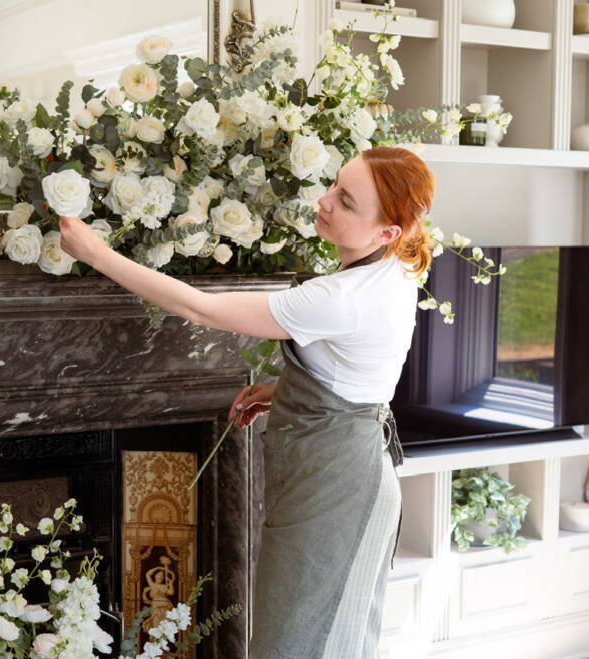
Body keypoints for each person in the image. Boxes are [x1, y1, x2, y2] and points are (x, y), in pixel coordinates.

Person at [58, 146, 435, 658]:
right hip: (346, 467)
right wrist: (289, 391)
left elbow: (201, 308)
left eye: (346, 201)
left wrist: (98, 254)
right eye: (333, 185)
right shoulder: (392, 268)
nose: (324, 201)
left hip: (339, 486)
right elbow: (369, 364)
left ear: (386, 232)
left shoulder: (341, 296)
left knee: (294, 645)